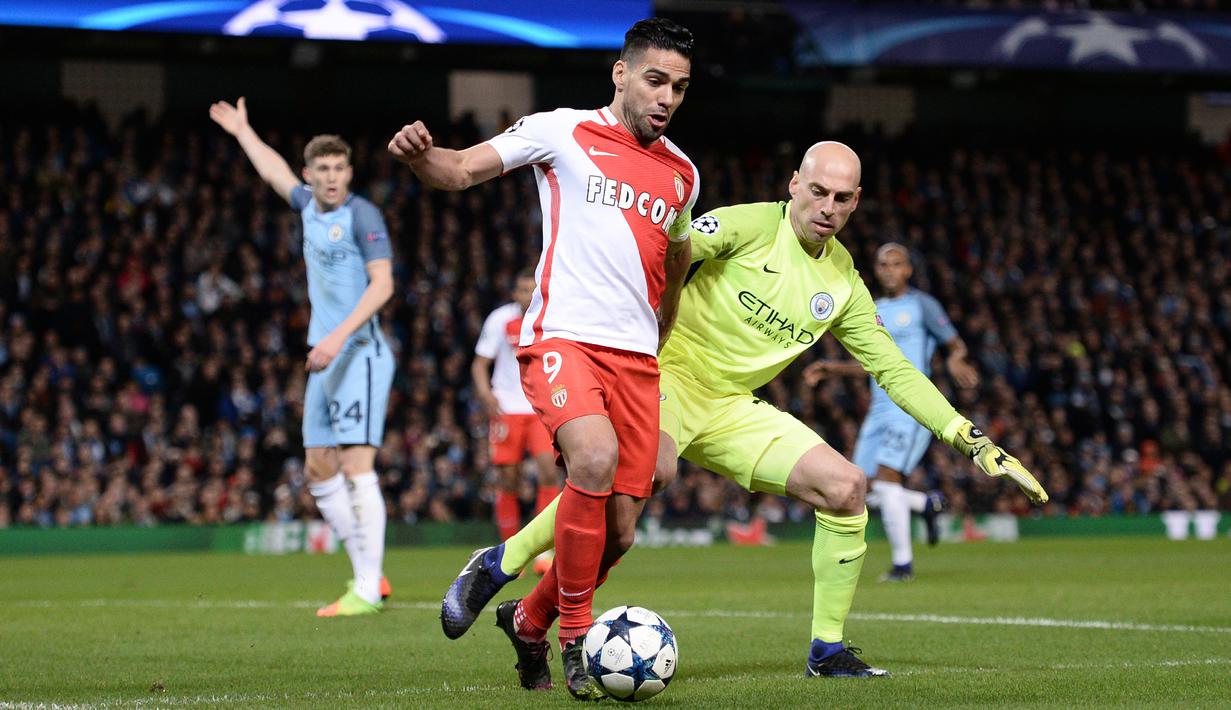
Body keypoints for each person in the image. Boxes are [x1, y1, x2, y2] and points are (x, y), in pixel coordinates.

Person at [440, 141, 1048, 679]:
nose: (827, 207)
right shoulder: (750, 225)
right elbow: (669, 247)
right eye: (817, 191)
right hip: (667, 375)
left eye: (841, 197)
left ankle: (827, 650)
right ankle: (504, 559)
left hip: (732, 407)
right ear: (794, 185)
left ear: (855, 201)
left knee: (846, 487)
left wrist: (968, 438)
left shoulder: (843, 284)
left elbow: (893, 370)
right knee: (641, 485)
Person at [388, 18, 700, 699]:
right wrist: (419, 156)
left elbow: (672, 269)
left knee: (619, 534)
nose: (666, 97)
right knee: (590, 460)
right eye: (654, 80)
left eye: (677, 86)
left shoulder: (682, 175)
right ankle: (574, 638)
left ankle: (527, 620)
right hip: (562, 338)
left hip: (635, 360)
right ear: (619, 74)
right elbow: (462, 168)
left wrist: (657, 339)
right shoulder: (560, 130)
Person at [210, 98, 395, 617]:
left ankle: (363, 586)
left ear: (349, 173)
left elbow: (383, 285)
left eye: (340, 169)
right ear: (310, 175)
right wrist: (244, 131)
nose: (331, 178)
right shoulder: (308, 206)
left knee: (358, 466)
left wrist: (337, 338)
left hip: (358, 352)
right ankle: (368, 573)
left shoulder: (363, 215)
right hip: (325, 357)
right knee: (317, 468)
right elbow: (271, 171)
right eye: (323, 170)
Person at [803, 242, 980, 581]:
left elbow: (954, 343)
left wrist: (956, 359)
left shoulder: (922, 305)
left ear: (908, 269)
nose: (889, 270)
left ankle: (902, 565)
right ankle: (924, 505)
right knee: (863, 486)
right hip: (878, 409)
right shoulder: (872, 308)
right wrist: (831, 369)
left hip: (909, 406)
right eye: (883, 264)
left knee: (887, 478)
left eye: (896, 264)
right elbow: (871, 363)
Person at [473, 268, 561, 554]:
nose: (528, 294)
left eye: (532, 289)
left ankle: (543, 549)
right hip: (507, 408)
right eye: (523, 290)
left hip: (539, 408)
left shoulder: (552, 316)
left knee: (549, 471)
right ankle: (509, 548)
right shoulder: (500, 319)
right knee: (508, 479)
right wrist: (486, 394)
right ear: (514, 293)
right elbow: (479, 364)